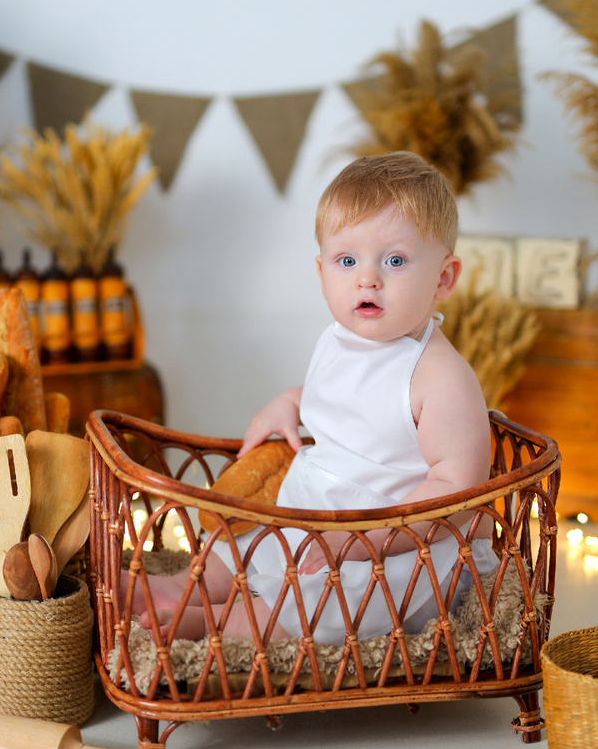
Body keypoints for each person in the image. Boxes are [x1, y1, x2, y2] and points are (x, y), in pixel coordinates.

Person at [129, 151, 497, 644]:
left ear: (443, 278)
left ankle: (223, 625)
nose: (368, 278)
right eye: (347, 261)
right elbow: (351, 400)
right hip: (313, 511)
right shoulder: (341, 339)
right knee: (238, 542)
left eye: (395, 260)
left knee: (320, 607)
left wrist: (363, 539)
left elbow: (457, 491)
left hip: (400, 548)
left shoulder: (441, 377)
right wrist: (291, 401)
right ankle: (186, 585)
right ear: (322, 272)